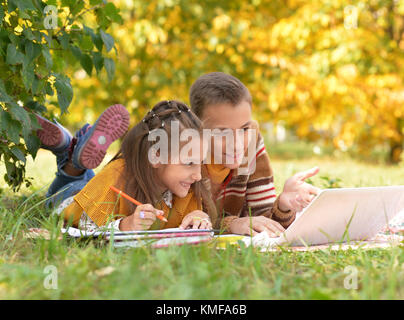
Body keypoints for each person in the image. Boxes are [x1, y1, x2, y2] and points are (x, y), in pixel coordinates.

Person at [38, 101, 216, 232]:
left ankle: (68, 148)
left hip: (97, 187)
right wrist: (125, 225)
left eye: (200, 162)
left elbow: (194, 213)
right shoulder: (118, 173)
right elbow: (79, 226)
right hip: (72, 198)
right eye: (189, 163)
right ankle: (70, 154)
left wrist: (199, 218)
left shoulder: (186, 185)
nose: (198, 175)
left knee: (84, 176)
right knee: (70, 186)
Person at [189, 72, 320, 236]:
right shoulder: (184, 155)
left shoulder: (251, 141)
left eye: (244, 129)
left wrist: (283, 206)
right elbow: (187, 222)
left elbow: (264, 222)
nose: (236, 144)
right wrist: (231, 224)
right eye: (223, 132)